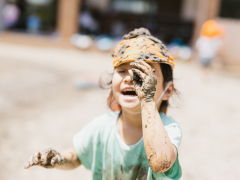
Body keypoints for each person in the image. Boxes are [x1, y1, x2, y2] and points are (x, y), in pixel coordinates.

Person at [24, 28, 182, 180]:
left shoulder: (168, 130)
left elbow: (161, 163)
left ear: (167, 90)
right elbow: (77, 156)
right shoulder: (102, 126)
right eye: (122, 70)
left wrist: (148, 101)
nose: (130, 78)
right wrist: (59, 159)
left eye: (144, 71)